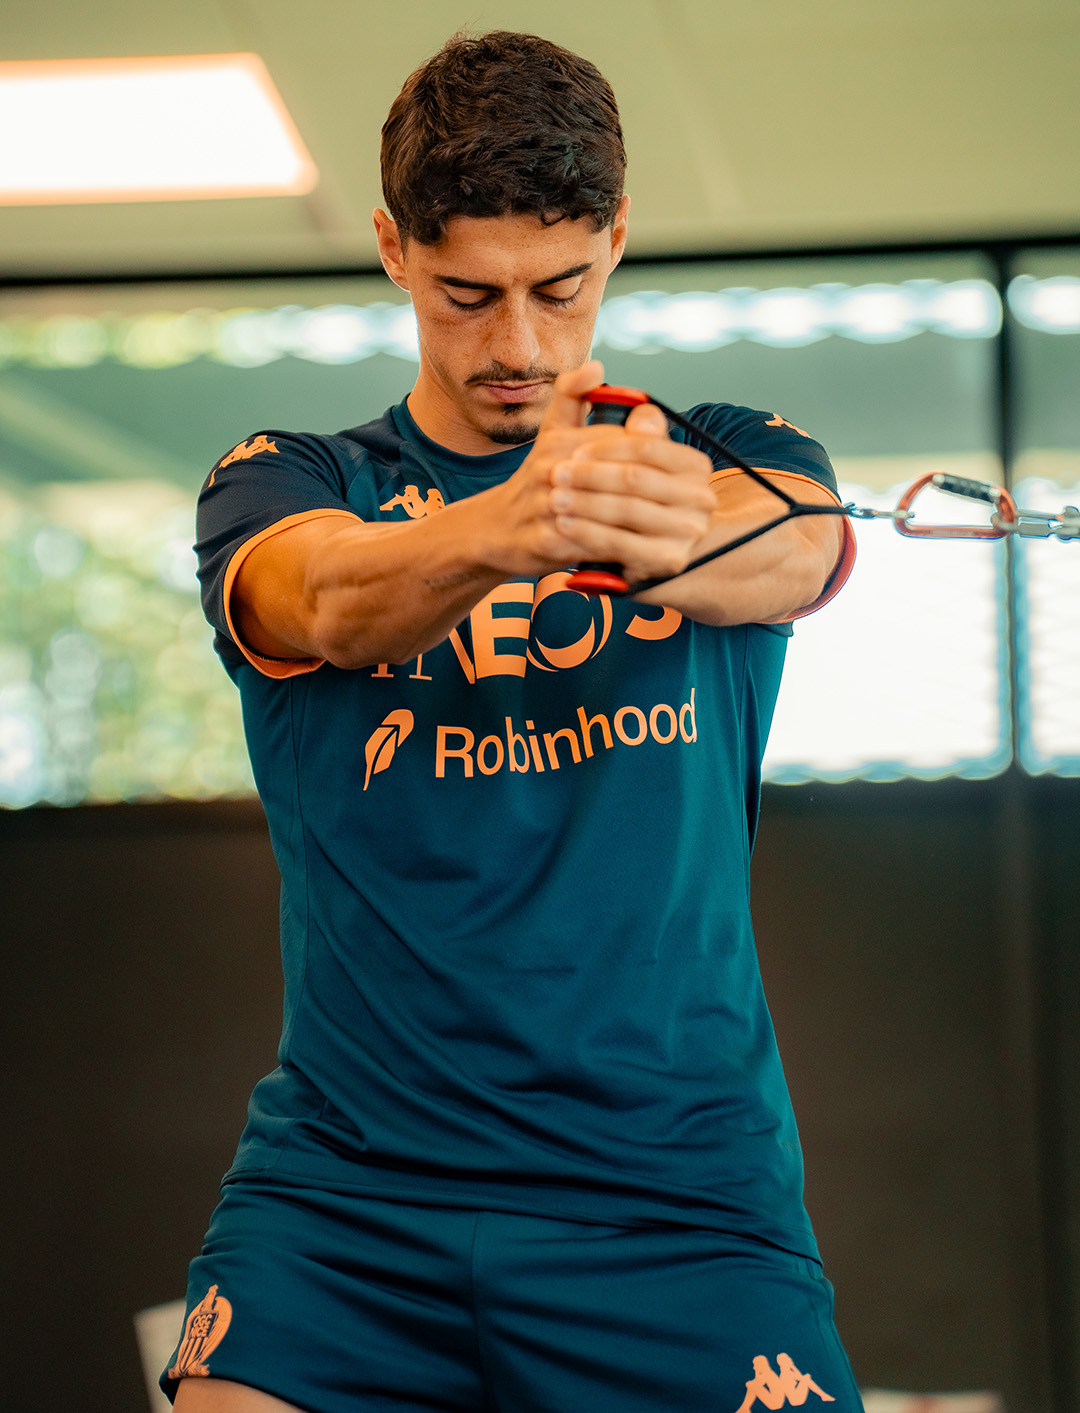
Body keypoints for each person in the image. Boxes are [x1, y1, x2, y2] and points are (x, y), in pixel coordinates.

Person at [165, 29, 861, 1413]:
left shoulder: (729, 453)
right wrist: (508, 525)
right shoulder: (291, 480)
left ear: (616, 240)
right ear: (393, 249)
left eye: (560, 288)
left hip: (672, 1197)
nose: (520, 346)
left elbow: (799, 547)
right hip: (348, 1198)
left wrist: (650, 524)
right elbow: (327, 599)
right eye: (468, 296)